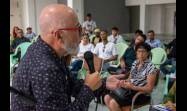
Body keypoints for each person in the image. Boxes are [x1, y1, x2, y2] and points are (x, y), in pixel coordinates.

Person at [11, 4, 122, 111]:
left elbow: (70, 84)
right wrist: (88, 89)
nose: (82, 34)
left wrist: (102, 83)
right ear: (59, 35)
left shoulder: (49, 52)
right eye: (78, 29)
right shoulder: (46, 68)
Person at [104, 43, 157, 111]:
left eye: (143, 51)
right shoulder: (135, 63)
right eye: (139, 51)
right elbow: (130, 78)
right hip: (129, 91)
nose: (141, 54)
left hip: (140, 94)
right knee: (106, 98)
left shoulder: (151, 67)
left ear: (148, 53)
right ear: (136, 52)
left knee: (113, 103)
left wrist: (133, 87)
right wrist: (124, 82)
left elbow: (149, 89)